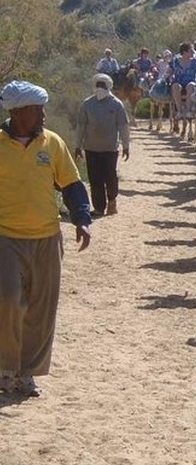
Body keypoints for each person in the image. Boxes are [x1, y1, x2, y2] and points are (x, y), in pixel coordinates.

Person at [0, 80, 92, 397]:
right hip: (6, 237)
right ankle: (5, 367)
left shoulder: (51, 143)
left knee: (41, 306)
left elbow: (71, 183)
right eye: (37, 109)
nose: (43, 115)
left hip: (46, 237)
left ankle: (28, 373)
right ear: (18, 112)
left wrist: (82, 218)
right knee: (8, 300)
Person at [74, 73, 131, 217]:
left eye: (102, 85)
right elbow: (81, 126)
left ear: (108, 86)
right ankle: (99, 208)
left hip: (110, 148)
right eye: (98, 85)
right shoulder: (87, 104)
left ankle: (112, 201)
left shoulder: (116, 104)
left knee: (110, 177)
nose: (100, 88)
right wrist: (77, 146)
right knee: (95, 179)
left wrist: (126, 146)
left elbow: (123, 126)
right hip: (91, 148)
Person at [168, 42, 196, 119]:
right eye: (191, 50)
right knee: (175, 86)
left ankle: (188, 111)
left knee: (191, 86)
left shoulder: (195, 61)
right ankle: (179, 111)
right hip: (178, 81)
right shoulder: (175, 61)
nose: (193, 52)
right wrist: (167, 76)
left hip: (191, 81)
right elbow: (169, 70)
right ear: (184, 52)